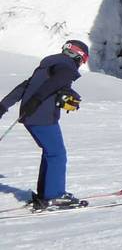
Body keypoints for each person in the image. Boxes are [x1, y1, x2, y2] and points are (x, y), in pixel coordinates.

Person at [0, 40, 89, 210]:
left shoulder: (50, 64)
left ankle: (46, 193)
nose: (80, 65)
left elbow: (25, 86)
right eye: (82, 61)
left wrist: (3, 106)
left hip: (31, 115)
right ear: (79, 56)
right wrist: (37, 100)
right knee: (57, 154)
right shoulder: (67, 66)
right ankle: (54, 196)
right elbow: (56, 82)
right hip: (41, 116)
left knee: (50, 152)